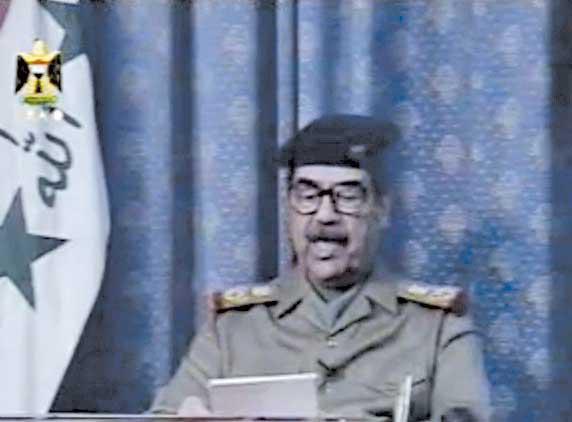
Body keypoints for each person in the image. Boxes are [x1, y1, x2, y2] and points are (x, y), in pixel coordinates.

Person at [150, 115, 491, 421]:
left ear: (382, 209)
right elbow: (165, 415)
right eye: (308, 195)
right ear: (288, 207)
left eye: (348, 196)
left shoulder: (437, 326)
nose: (325, 215)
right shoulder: (232, 328)